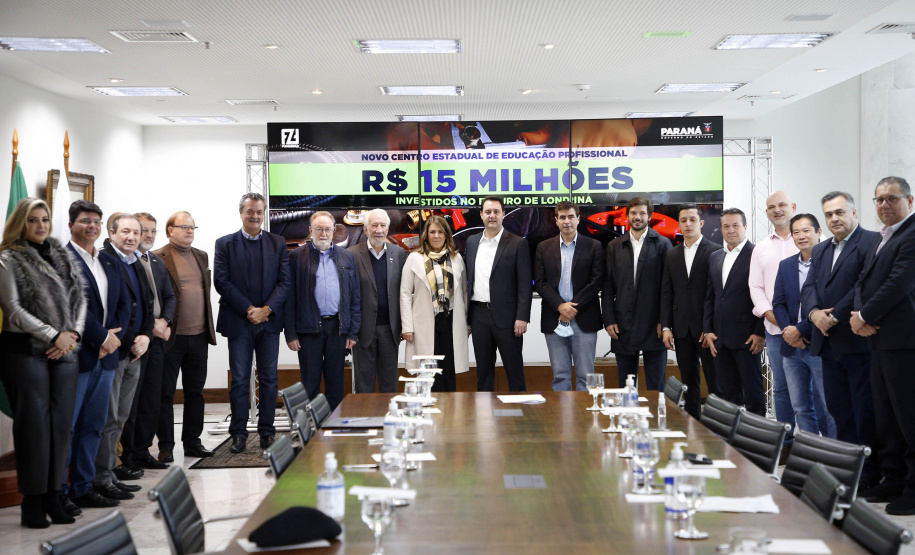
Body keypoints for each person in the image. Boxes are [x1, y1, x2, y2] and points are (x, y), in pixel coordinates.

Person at [0, 198, 86, 528]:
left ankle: (53, 495)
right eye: (32, 220)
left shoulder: (62, 255)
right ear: (20, 223)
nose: (40, 226)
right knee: (34, 428)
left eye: (45, 219)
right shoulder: (8, 258)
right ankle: (32, 501)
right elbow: (13, 309)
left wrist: (73, 335)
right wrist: (54, 336)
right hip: (25, 352)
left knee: (61, 426)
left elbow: (80, 299)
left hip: (65, 352)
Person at [801, 191, 882, 492]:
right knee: (839, 411)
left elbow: (863, 286)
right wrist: (813, 314)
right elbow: (809, 286)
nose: (834, 218)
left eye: (839, 212)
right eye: (828, 214)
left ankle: (870, 473)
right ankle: (848, 470)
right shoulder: (821, 249)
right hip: (827, 344)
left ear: (853, 212)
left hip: (858, 341)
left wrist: (833, 317)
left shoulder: (871, 241)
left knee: (865, 412)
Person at [852, 176, 915, 515]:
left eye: (892, 198)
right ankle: (893, 478)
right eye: (879, 199)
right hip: (880, 340)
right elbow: (863, 281)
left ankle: (913, 488)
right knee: (886, 417)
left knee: (908, 417)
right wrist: (859, 314)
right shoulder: (883, 237)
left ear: (910, 200)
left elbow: (898, 283)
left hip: (904, 341)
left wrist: (864, 315)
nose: (885, 204)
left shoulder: (912, 233)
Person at [64, 200, 129, 510]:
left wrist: (113, 339)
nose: (91, 226)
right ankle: (62, 490)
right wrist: (101, 338)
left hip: (107, 356)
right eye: (85, 221)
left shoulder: (107, 261)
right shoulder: (63, 260)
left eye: (96, 222)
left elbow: (123, 303)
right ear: (71, 225)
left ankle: (84, 485)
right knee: (70, 427)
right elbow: (73, 306)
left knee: (94, 424)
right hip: (79, 355)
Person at [215, 193, 290, 454]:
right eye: (250, 211)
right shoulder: (224, 244)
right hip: (239, 322)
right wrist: (250, 310)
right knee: (239, 380)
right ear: (241, 213)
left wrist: (267, 309)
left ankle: (267, 432)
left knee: (269, 379)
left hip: (269, 322)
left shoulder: (278, 242)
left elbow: (285, 281)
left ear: (264, 213)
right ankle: (238, 434)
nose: (255, 216)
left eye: (259, 211)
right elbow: (221, 282)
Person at [93, 213, 154, 500]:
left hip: (135, 351)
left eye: (136, 232)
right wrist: (133, 341)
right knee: (108, 418)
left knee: (120, 416)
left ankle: (111, 470)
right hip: (115, 351)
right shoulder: (104, 261)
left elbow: (146, 304)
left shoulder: (135, 261)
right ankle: (101, 477)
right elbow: (115, 311)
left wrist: (146, 336)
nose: (132, 237)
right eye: (125, 232)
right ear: (112, 233)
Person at [153, 211, 217, 461]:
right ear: (171, 230)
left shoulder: (201, 255)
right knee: (165, 393)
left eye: (192, 227)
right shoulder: (158, 257)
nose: (190, 231)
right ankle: (166, 446)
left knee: (195, 392)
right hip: (171, 337)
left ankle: (192, 442)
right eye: (184, 227)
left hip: (199, 336)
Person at [284, 211, 360, 410]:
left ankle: (333, 423)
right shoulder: (295, 257)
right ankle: (308, 425)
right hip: (308, 329)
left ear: (334, 230)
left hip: (337, 328)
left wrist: (352, 331)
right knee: (309, 382)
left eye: (327, 229)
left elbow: (354, 297)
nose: (323, 234)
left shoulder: (346, 257)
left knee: (336, 381)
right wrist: (290, 334)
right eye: (319, 229)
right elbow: (289, 299)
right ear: (311, 230)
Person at [772, 214, 834, 439]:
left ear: (818, 232)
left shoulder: (830, 264)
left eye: (806, 230)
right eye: (796, 232)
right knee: (800, 407)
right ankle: (810, 452)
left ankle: (833, 453)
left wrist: (801, 330)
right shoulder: (786, 265)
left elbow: (829, 305)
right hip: (792, 346)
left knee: (828, 406)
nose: (801, 236)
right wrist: (790, 331)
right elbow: (778, 303)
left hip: (821, 342)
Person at [123, 212, 176, 470]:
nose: (148, 235)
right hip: (136, 340)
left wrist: (165, 321)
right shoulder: (126, 262)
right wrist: (150, 327)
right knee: (132, 401)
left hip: (157, 341)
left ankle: (143, 451)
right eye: (144, 230)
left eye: (153, 231)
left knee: (152, 399)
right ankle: (128, 455)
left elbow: (170, 296)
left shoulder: (156, 261)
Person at [602, 197, 672, 390]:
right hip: (622, 323)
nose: (637, 217)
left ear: (649, 216)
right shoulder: (614, 246)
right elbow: (607, 286)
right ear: (627, 215)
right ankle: (627, 411)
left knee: (656, 385)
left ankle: (656, 412)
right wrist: (608, 319)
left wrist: (664, 321)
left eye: (642, 213)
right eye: (633, 213)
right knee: (626, 385)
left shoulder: (663, 244)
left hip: (654, 324)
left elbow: (668, 288)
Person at [533, 202, 603, 391]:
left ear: (578, 219)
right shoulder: (543, 247)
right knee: (560, 376)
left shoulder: (594, 246)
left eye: (571, 217)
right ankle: (562, 412)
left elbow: (596, 281)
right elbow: (540, 282)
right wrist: (560, 306)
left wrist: (571, 308)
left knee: (586, 377)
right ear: (556, 220)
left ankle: (586, 412)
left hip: (584, 318)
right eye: (562, 217)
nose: (567, 221)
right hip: (554, 318)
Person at [748, 191, 798, 455]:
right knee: (781, 388)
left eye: (782, 205)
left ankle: (815, 444)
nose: (777, 210)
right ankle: (786, 443)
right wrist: (768, 313)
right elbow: (755, 286)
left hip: (809, 329)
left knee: (813, 389)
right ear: (766, 212)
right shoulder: (761, 248)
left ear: (793, 207)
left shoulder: (813, 238)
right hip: (776, 330)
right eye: (771, 207)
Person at [703, 208, 766, 415]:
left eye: (735, 225)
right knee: (728, 395)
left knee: (753, 394)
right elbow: (711, 296)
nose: (731, 230)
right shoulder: (715, 257)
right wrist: (708, 329)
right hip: (720, 338)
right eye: (726, 226)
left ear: (745, 227)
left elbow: (764, 296)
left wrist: (760, 332)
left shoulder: (756, 254)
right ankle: (732, 433)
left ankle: (758, 433)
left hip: (748, 338)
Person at [465, 196, 532, 391]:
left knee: (514, 371)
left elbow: (525, 284)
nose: (492, 216)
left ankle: (520, 408)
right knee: (483, 373)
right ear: (481, 215)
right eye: (488, 212)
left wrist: (522, 317)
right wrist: (467, 320)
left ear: (503, 214)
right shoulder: (471, 242)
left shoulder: (518, 244)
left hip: (508, 318)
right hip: (478, 316)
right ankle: (484, 410)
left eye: (496, 212)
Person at [660, 203, 721, 418]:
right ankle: (693, 422)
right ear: (679, 224)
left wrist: (710, 326)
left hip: (707, 330)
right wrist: (666, 327)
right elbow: (666, 292)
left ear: (701, 223)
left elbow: (717, 294)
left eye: (692, 220)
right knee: (688, 381)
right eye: (683, 220)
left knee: (715, 380)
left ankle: (716, 425)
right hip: (681, 328)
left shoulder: (715, 251)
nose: (688, 224)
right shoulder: (671, 254)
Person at [400, 215, 469, 391]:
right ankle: (429, 405)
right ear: (426, 235)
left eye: (440, 231)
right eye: (432, 232)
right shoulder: (414, 258)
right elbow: (405, 294)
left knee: (448, 370)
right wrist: (407, 327)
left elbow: (464, 293)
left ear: (446, 235)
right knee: (428, 373)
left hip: (451, 321)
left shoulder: (456, 258)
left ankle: (450, 407)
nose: (436, 235)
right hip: (424, 323)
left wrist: (467, 323)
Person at [348, 209, 406, 393]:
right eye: (374, 225)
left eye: (382, 225)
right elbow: (347, 294)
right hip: (363, 331)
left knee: (389, 385)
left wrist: (405, 325)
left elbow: (404, 293)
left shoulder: (399, 253)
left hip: (390, 330)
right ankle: (365, 413)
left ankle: (388, 413)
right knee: (363, 385)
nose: (379, 230)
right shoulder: (352, 254)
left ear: (388, 229)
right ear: (365, 229)